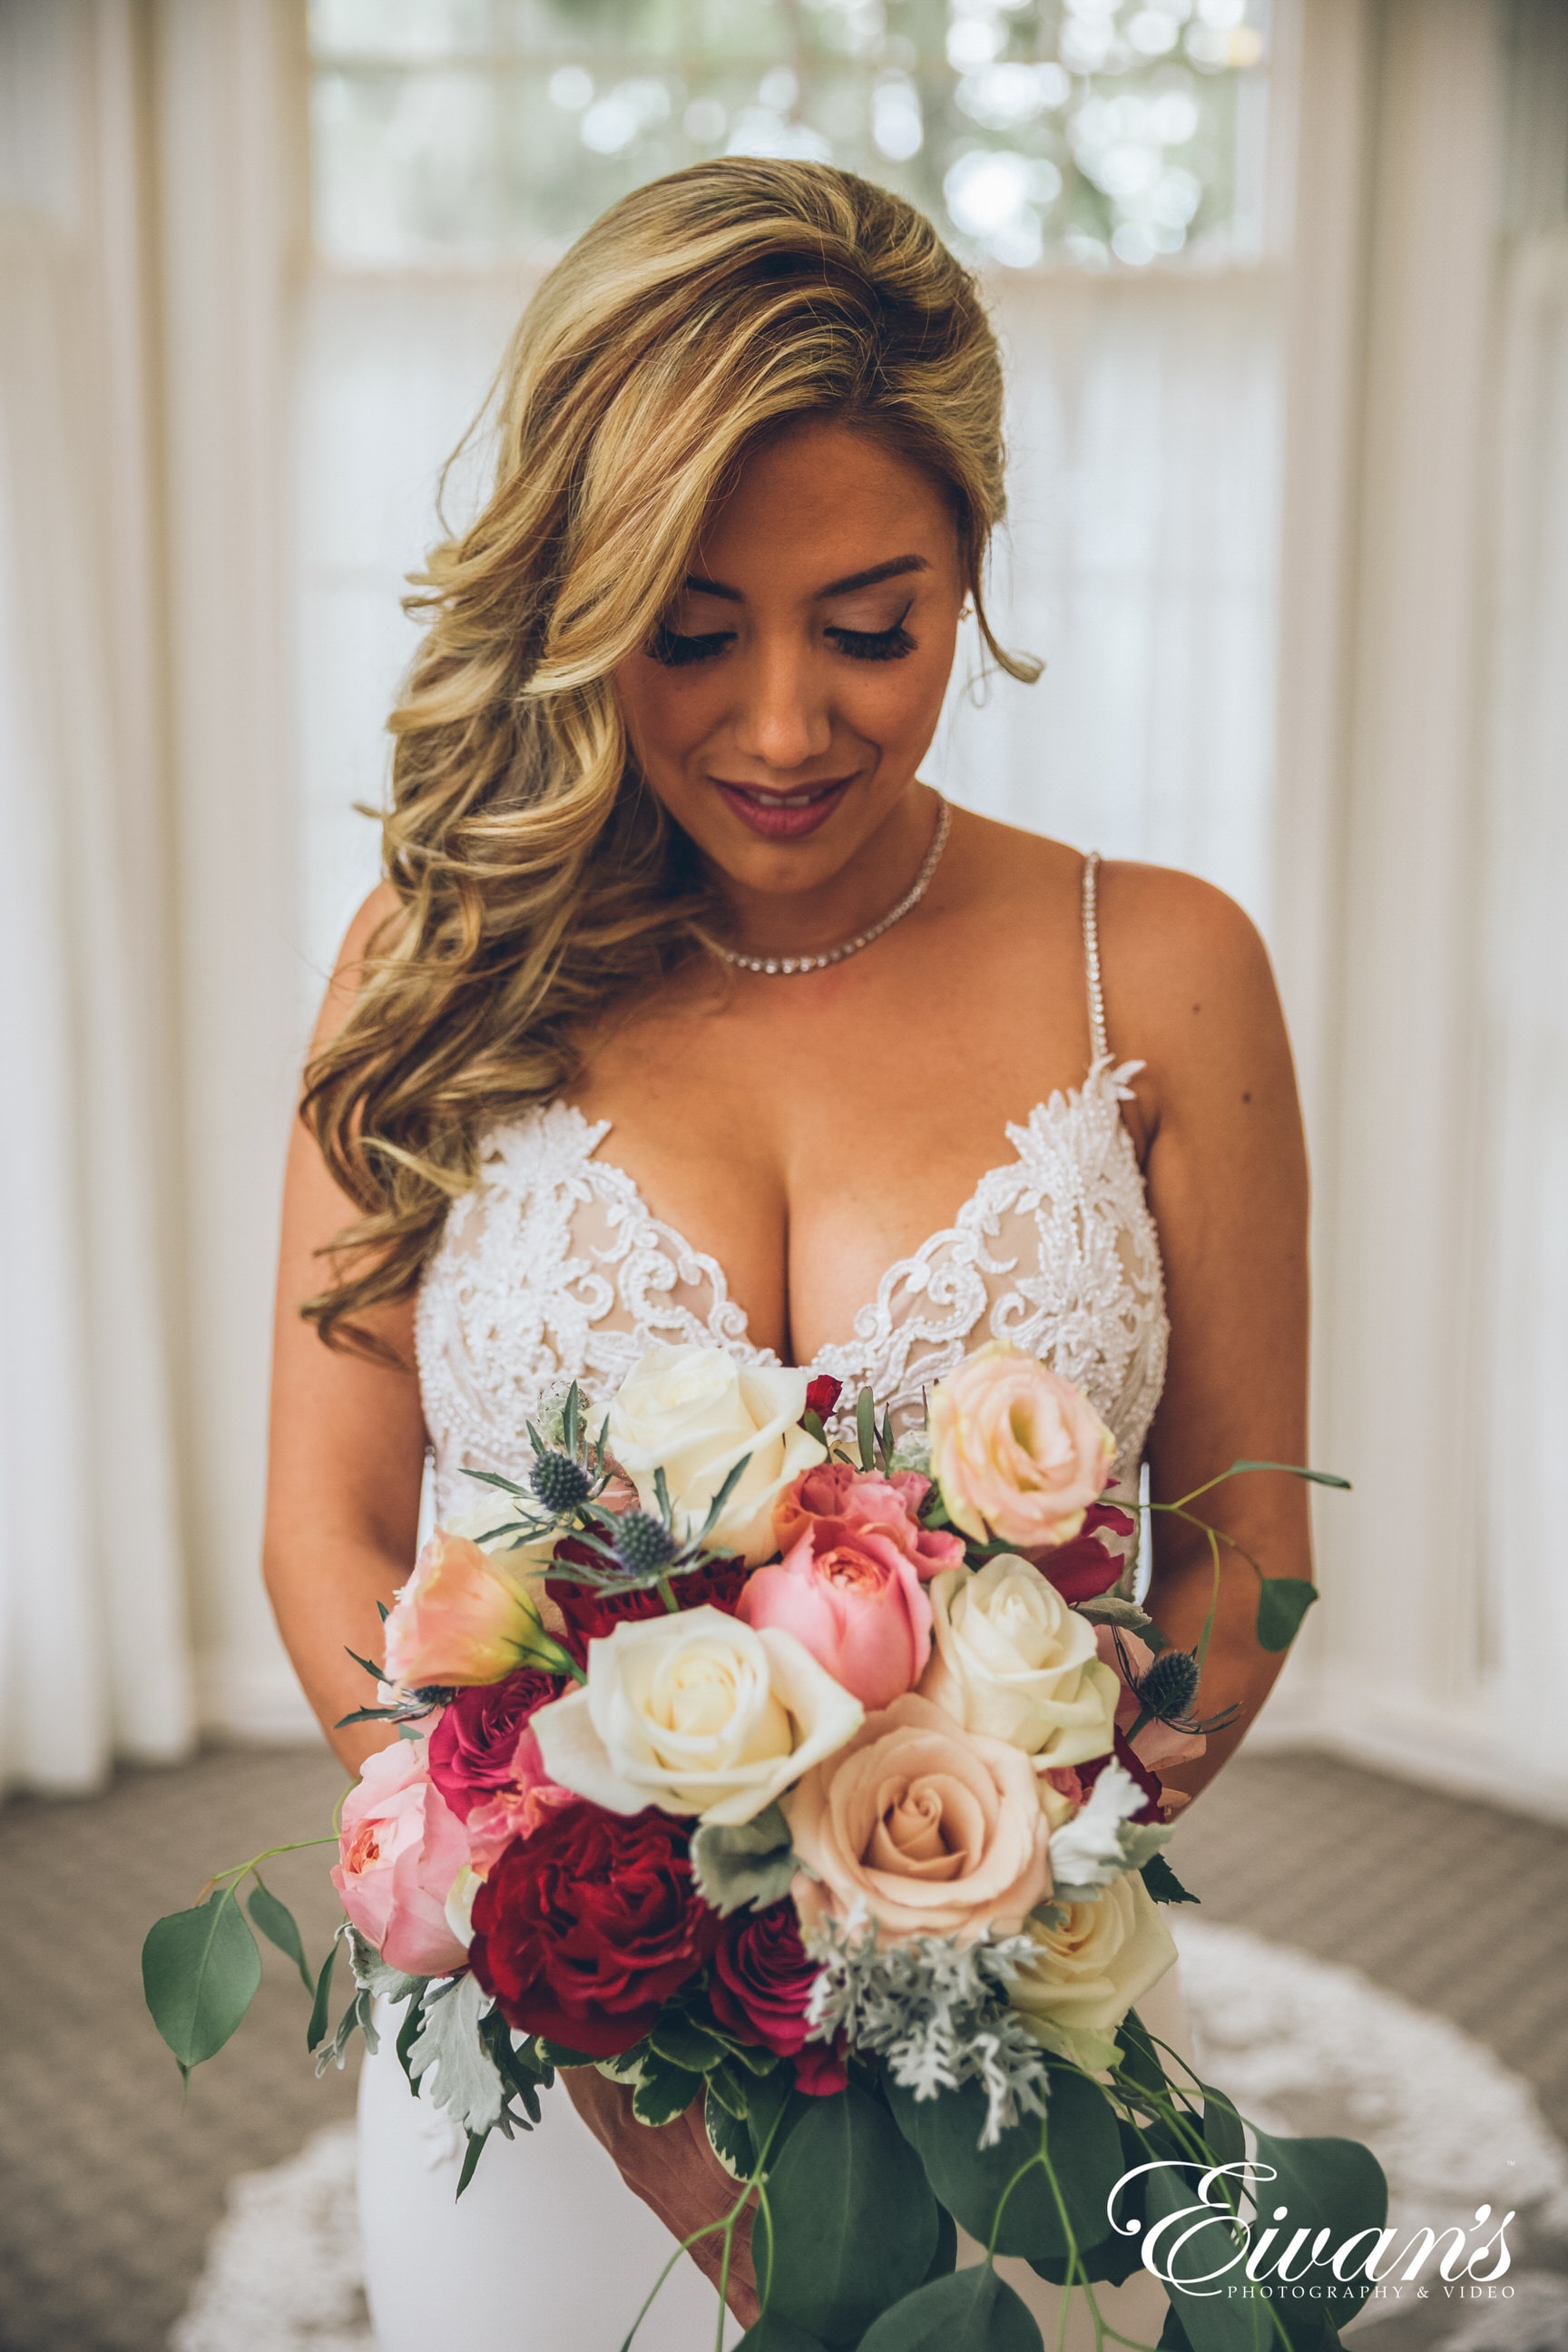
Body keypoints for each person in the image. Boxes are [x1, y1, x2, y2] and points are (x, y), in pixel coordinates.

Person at [264, 159, 1308, 2352]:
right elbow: (333, 1524)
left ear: (975, 575)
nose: (778, 728)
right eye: (685, 624)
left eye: (869, 625)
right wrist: (572, 1940)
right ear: (574, 587)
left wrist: (1019, 1840)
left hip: (1001, 2038)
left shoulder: (1169, 969)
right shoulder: (431, 963)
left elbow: (1242, 1531)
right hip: (549, 2054)